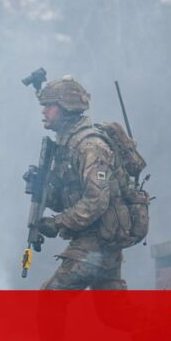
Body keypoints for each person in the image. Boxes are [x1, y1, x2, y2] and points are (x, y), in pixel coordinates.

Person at [34, 76, 128, 290]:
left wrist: (57, 223)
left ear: (66, 107)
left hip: (96, 241)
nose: (44, 111)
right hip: (99, 241)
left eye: (49, 105)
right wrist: (44, 192)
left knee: (51, 298)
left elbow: (96, 201)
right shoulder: (69, 145)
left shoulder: (90, 146)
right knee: (115, 314)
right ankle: (168, 324)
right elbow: (69, 198)